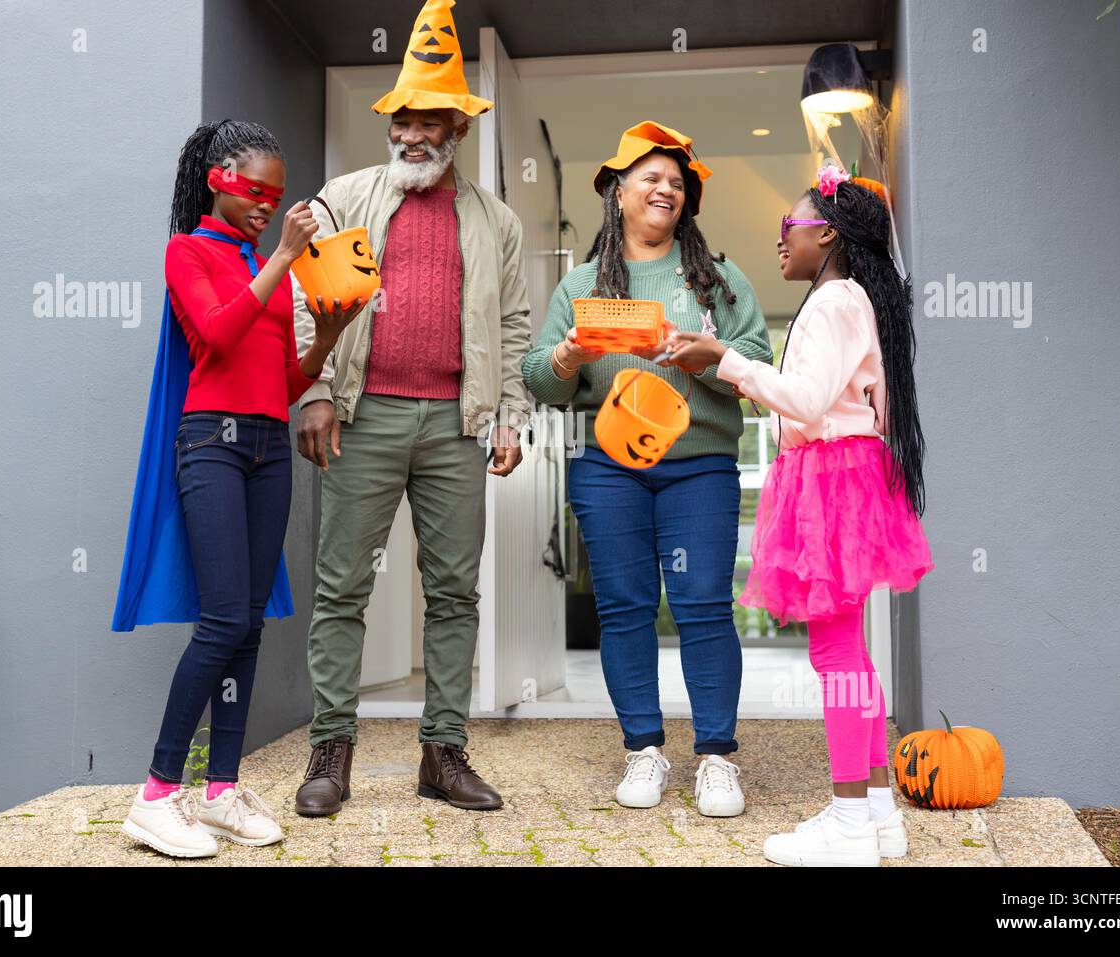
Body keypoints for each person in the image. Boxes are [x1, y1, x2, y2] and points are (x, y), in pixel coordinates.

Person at [290, 0, 532, 816]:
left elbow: (514, 324)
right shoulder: (346, 195)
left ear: (458, 131)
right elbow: (302, 292)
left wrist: (510, 414)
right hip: (363, 415)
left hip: (455, 423)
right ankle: (331, 749)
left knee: (455, 592)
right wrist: (316, 390)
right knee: (341, 587)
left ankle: (443, 751)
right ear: (390, 124)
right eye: (405, 120)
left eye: (432, 121)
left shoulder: (496, 220)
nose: (415, 135)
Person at [664, 165, 934, 865]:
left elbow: (807, 400)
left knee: (837, 654)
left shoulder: (833, 302)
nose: (779, 241)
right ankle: (876, 813)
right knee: (852, 655)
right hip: (847, 477)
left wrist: (724, 359)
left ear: (829, 233)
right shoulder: (848, 299)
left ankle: (849, 820)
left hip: (833, 484)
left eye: (789, 228)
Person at [116, 120, 359, 858]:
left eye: (276, 195)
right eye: (256, 191)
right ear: (219, 179)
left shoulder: (266, 266)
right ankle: (156, 794)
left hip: (264, 444)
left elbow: (281, 384)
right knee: (221, 621)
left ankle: (222, 790)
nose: (268, 204)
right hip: (210, 444)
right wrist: (284, 255)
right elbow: (218, 336)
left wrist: (326, 337)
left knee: (250, 624)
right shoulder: (187, 251)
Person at [522, 122, 772, 817]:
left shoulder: (718, 279)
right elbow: (541, 378)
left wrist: (708, 354)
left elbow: (757, 360)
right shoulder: (578, 285)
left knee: (701, 606)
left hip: (699, 468)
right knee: (625, 608)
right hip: (610, 470)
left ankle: (717, 757)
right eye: (651, 178)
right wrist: (568, 358)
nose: (666, 188)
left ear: (686, 201)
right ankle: (643, 749)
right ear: (618, 193)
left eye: (676, 181)